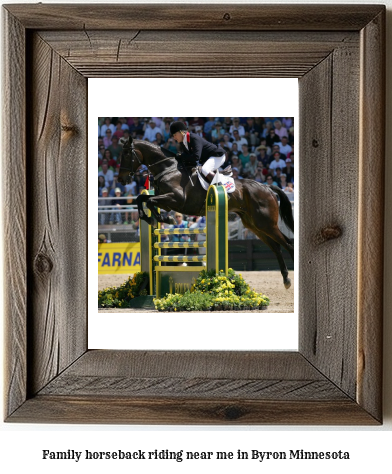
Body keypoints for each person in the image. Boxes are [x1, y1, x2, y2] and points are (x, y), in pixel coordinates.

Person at [170, 121, 227, 185]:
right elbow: (188, 157)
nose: (174, 138)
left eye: (175, 135)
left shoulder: (193, 138)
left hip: (217, 155)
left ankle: (220, 187)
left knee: (205, 169)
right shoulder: (183, 142)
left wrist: (181, 156)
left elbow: (196, 157)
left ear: (182, 132)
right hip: (206, 158)